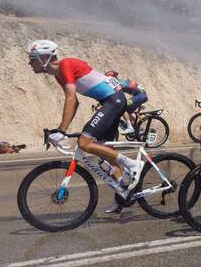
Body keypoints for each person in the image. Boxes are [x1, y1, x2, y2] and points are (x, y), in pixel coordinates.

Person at [27, 40, 144, 209]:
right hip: (109, 101)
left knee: (84, 142)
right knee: (105, 155)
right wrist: (62, 131)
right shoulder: (59, 74)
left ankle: (133, 164)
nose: (29, 63)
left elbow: (69, 98)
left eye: (32, 59)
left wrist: (61, 131)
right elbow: (74, 102)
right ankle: (123, 194)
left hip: (113, 101)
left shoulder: (66, 65)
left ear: (44, 58)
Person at [104, 69, 148, 135]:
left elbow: (113, 95)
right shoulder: (121, 81)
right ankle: (137, 129)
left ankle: (130, 127)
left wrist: (99, 105)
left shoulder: (119, 84)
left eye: (109, 79)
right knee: (127, 112)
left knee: (122, 108)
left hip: (140, 96)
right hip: (141, 95)